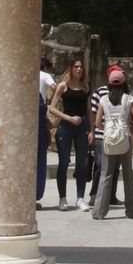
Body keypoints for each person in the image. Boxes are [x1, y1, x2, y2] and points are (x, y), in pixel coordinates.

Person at [91, 67, 133, 220]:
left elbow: (98, 122)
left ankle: (99, 211)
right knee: (128, 173)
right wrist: (130, 128)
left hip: (109, 139)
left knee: (105, 174)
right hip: (124, 137)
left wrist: (108, 128)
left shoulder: (104, 100)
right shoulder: (129, 99)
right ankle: (132, 209)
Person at [48, 58, 91, 211]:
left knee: (82, 163)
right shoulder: (63, 86)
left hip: (82, 127)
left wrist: (91, 129)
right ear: (71, 69)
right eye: (76, 67)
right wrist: (69, 118)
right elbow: (52, 108)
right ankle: (62, 198)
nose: (79, 69)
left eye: (81, 67)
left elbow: (88, 110)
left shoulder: (85, 87)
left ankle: (80, 198)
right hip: (66, 126)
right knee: (64, 162)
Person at [86, 67, 120, 208]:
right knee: (100, 165)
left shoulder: (125, 93)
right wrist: (92, 131)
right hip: (102, 134)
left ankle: (111, 196)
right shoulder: (100, 92)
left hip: (118, 135)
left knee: (116, 167)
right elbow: (93, 113)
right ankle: (95, 195)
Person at [36, 57, 54, 206]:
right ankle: (35, 194)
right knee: (39, 159)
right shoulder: (45, 75)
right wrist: (53, 105)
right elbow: (55, 87)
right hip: (40, 113)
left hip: (38, 113)